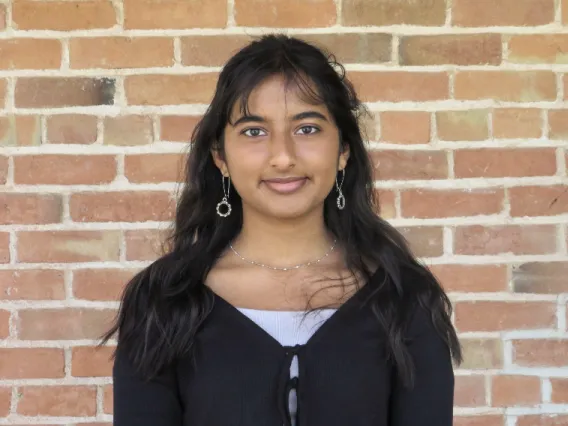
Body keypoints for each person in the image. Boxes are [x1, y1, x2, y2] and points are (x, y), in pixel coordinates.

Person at [99, 34, 462, 426]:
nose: (284, 156)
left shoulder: (404, 298)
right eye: (254, 131)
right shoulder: (164, 301)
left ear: (343, 151)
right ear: (220, 156)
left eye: (307, 129)